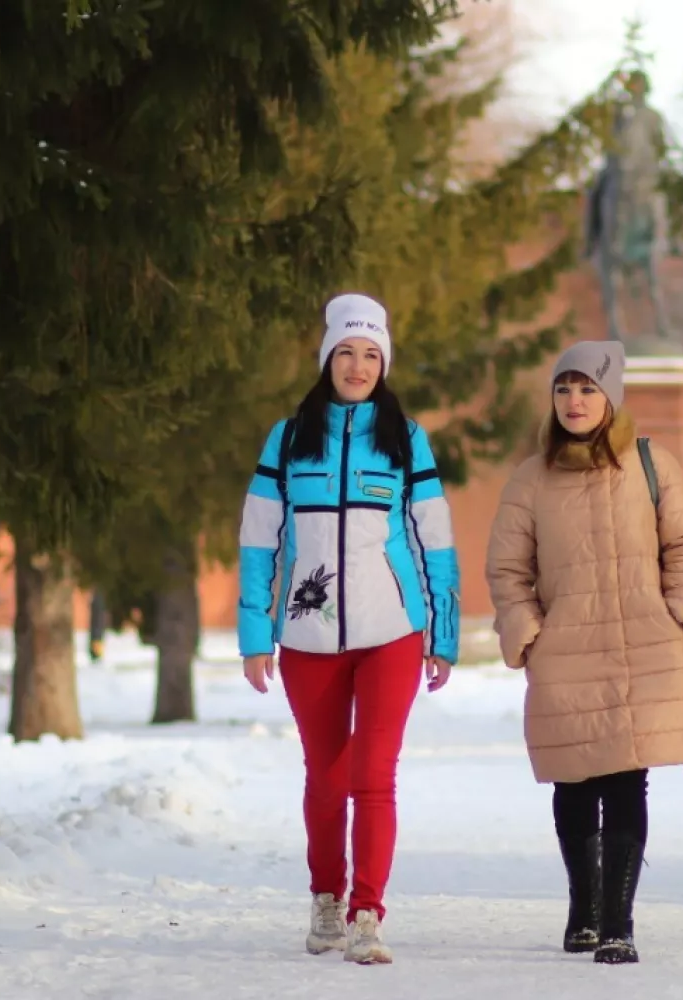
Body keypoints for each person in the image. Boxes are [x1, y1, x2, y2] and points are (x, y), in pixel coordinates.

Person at [237, 292, 460, 966]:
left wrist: (442, 632)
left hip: (392, 631)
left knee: (373, 774)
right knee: (325, 778)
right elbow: (257, 539)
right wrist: (254, 634)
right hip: (308, 636)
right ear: (327, 358)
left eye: (371, 355)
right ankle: (326, 898)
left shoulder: (405, 437)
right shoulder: (288, 436)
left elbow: (435, 539)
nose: (358, 365)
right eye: (347, 352)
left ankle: (368, 912)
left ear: (383, 363)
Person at [485, 340, 683, 965]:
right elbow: (508, 569)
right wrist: (526, 629)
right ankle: (583, 908)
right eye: (564, 389)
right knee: (575, 780)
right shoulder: (532, 478)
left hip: (643, 644)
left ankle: (619, 922)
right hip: (566, 650)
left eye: (587, 388)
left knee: (627, 780)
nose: (574, 401)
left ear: (611, 396)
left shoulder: (650, 464)